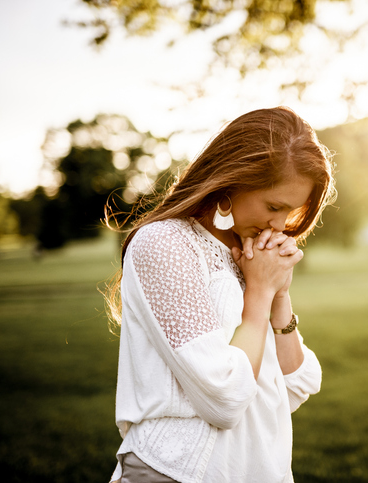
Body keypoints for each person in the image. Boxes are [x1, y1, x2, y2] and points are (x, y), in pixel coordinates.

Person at [106, 106, 336, 483]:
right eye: (273, 206)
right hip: (175, 472)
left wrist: (278, 294)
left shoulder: (249, 254)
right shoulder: (166, 244)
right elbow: (226, 398)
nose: (279, 225)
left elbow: (297, 383)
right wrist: (259, 292)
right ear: (231, 182)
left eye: (290, 211)